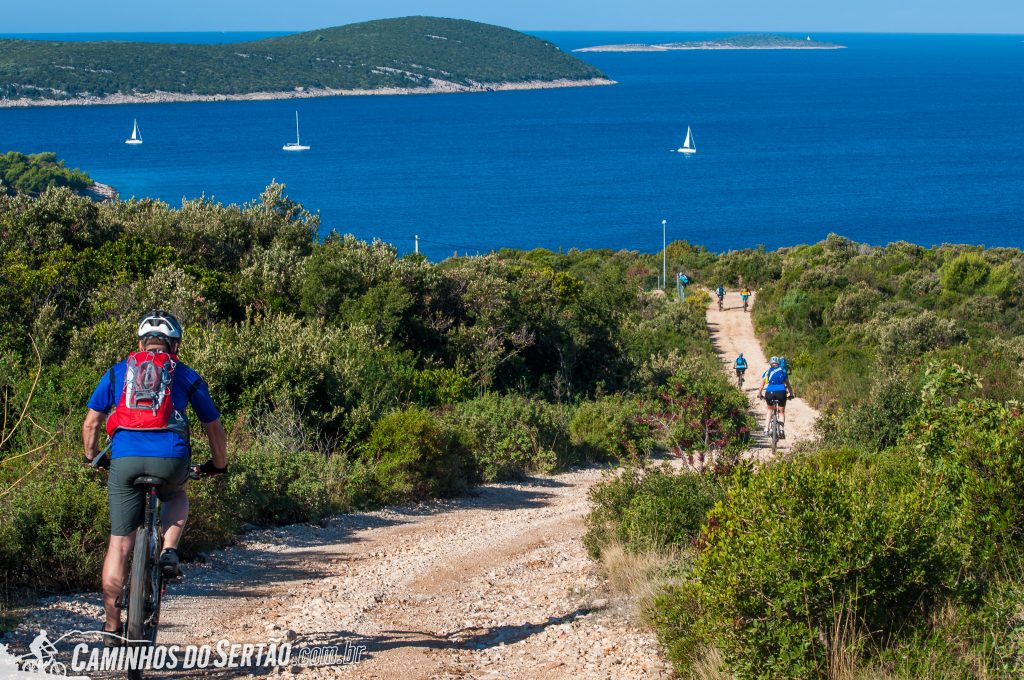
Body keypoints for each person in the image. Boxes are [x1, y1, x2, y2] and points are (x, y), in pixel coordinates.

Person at [83, 310, 228, 637]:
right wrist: (218, 464)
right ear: (174, 345)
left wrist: (93, 458)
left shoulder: (118, 372)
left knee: (119, 544)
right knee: (176, 494)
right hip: (171, 460)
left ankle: (111, 625)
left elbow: (91, 423)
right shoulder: (187, 375)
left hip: (125, 459)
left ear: (140, 342)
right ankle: (168, 549)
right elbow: (213, 428)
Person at [758, 356, 795, 439]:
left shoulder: (767, 372)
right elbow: (788, 385)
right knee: (781, 412)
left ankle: (766, 429)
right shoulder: (783, 371)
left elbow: (762, 385)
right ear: (778, 363)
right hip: (781, 392)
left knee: (770, 410)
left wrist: (759, 393)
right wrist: (791, 394)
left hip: (769, 393)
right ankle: (781, 429)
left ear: (770, 363)